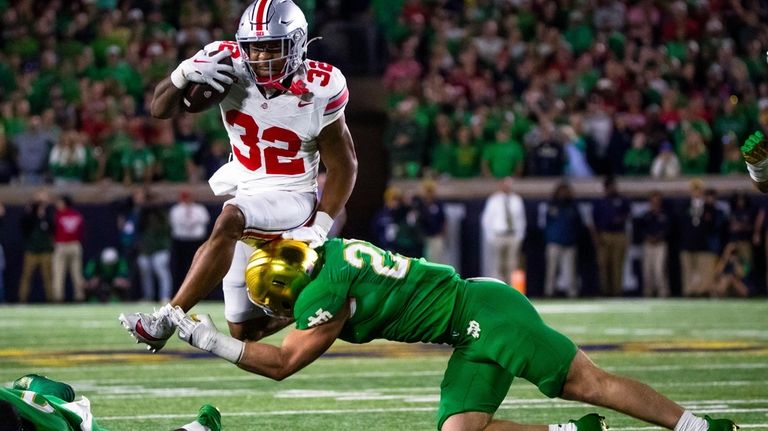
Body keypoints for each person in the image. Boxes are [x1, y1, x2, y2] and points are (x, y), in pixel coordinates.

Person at [165, 239, 737, 431]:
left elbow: (283, 362)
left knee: (590, 380)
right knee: (461, 430)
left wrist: (211, 341)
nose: (279, 311)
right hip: (469, 324)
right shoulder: (328, 257)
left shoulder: (320, 299)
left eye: (279, 302)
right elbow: (294, 316)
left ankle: (695, 426)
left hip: (488, 314)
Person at [120, 0, 357, 351]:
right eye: (254, 48)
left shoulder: (321, 86)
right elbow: (159, 109)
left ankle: (167, 318)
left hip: (292, 194)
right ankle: (332, 297)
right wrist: (183, 73)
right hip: (247, 185)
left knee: (229, 218)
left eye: (270, 47)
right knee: (244, 331)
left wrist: (318, 229)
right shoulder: (226, 61)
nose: (260, 57)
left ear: (296, 44)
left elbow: (344, 165)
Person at [0, 373, 221, 431]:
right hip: (37, 398)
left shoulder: (55, 427)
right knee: (58, 390)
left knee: (61, 392)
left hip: (62, 417)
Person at [480, 176, 526, 283]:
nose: (507, 187)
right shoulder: (493, 200)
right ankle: (498, 290)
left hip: (513, 235)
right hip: (498, 235)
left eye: (509, 185)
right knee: (497, 264)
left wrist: (520, 236)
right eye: (505, 184)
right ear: (500, 185)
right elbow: (486, 220)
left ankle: (512, 290)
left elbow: (521, 219)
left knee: (512, 264)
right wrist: (490, 237)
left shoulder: (517, 199)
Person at [52, 195, 86, 302]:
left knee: (59, 273)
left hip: (62, 245)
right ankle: (79, 296)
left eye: (59, 202)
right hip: (75, 245)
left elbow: (53, 230)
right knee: (75, 273)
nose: (57, 205)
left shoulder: (58, 215)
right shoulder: (77, 215)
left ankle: (58, 297)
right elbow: (82, 232)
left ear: (64, 203)